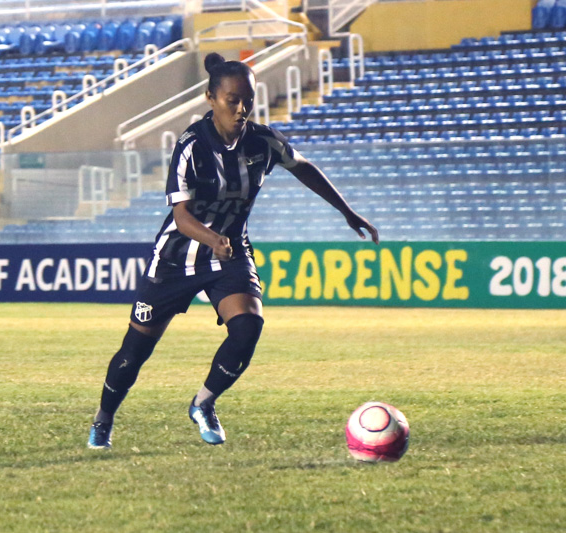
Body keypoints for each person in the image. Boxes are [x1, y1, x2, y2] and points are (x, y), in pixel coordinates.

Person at [88, 52, 379, 449]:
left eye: (248, 100)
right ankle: (103, 420)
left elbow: (304, 167)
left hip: (231, 254)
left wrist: (346, 211)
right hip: (177, 257)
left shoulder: (263, 141)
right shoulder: (191, 144)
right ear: (211, 97)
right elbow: (181, 215)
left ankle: (203, 404)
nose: (241, 108)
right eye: (232, 100)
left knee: (248, 327)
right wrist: (212, 240)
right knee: (134, 351)